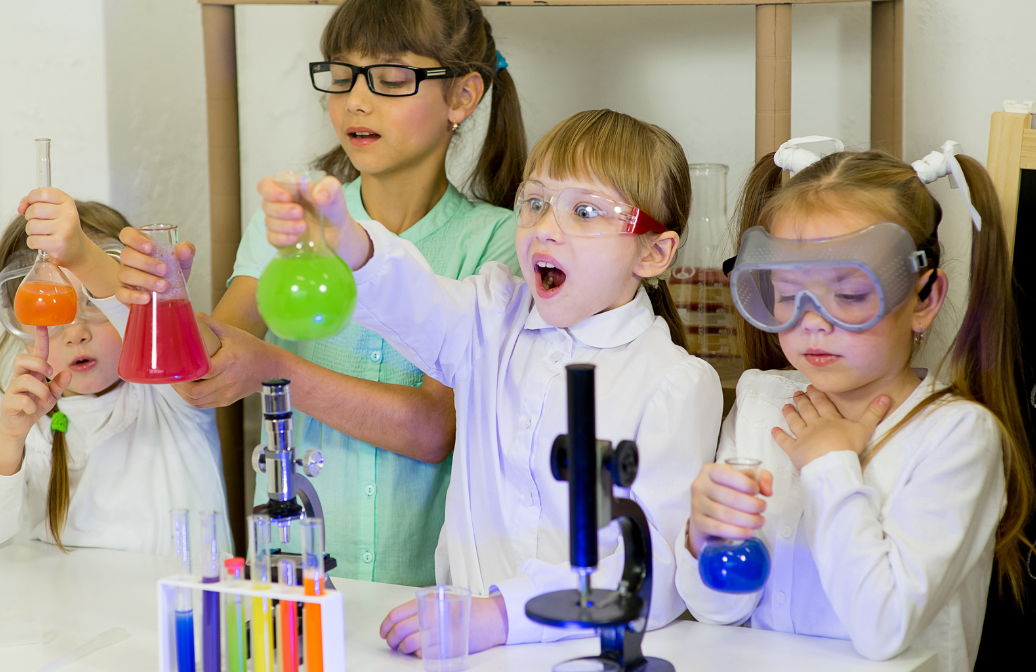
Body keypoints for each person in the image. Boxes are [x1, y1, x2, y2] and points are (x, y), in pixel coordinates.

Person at [259, 109, 723, 653]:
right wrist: (345, 238)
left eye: (586, 211)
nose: (547, 228)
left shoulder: (676, 382)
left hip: (591, 654)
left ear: (654, 252)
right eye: (535, 202)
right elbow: (414, 301)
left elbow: (654, 572)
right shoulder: (493, 314)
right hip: (460, 646)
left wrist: (501, 618)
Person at [115, 0, 526, 586]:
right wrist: (165, 297)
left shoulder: (500, 243)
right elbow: (202, 377)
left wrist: (273, 370)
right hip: (288, 580)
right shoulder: (286, 221)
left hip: (429, 596)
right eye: (341, 77)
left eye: (389, 79)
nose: (356, 100)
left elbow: (434, 430)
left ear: (462, 96)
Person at [676, 138, 1035, 672]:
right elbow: (718, 612)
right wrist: (704, 538)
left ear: (924, 299)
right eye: (788, 289)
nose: (813, 320)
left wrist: (829, 464)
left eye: (847, 293)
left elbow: (883, 628)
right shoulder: (760, 405)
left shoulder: (957, 435)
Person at [0, 190, 230, 554]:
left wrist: (82, 254)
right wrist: (9, 436)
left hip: (176, 607)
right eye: (53, 313)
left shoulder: (170, 391)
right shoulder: (31, 424)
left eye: (94, 304)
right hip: (68, 608)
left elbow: (137, 319)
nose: (76, 333)